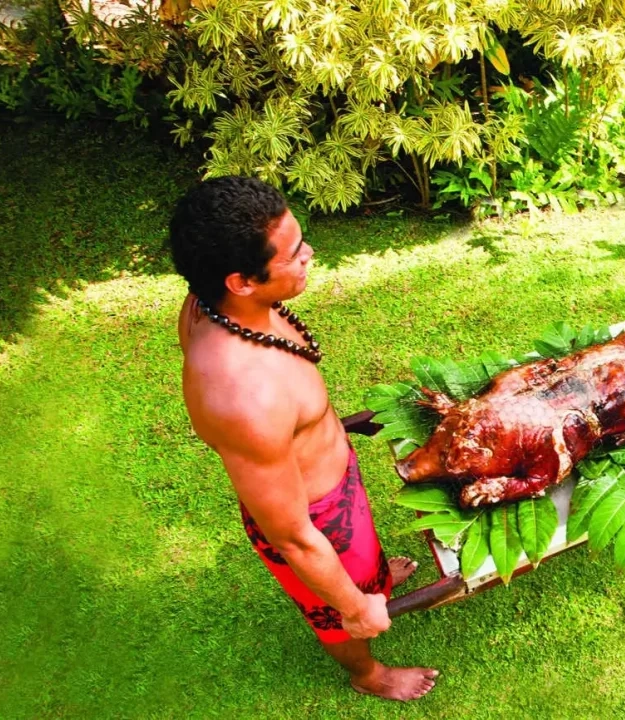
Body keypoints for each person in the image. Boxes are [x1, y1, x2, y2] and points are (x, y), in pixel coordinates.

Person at [170, 176, 438, 700]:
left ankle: (376, 579)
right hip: (314, 521)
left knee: (367, 567)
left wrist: (342, 425)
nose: (309, 254)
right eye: (293, 254)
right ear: (242, 281)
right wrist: (356, 608)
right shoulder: (245, 397)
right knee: (336, 612)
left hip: (334, 483)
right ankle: (367, 673)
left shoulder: (211, 302)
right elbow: (293, 536)